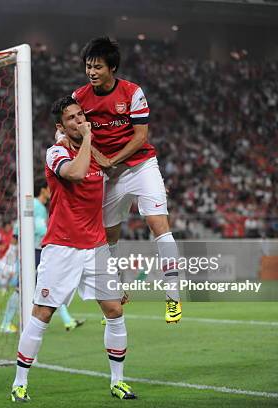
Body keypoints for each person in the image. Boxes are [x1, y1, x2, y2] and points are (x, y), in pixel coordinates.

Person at [10, 97, 136, 402]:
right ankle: (20, 382)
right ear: (60, 126)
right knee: (42, 314)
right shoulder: (57, 152)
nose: (79, 120)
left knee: (115, 310)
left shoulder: (97, 154)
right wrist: (89, 138)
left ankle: (117, 381)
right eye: (72, 118)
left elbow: (118, 179)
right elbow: (76, 173)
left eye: (81, 115)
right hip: (62, 247)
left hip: (96, 246)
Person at [72, 36, 182, 323]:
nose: (91, 72)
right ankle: (116, 287)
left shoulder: (133, 93)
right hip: (109, 173)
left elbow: (141, 137)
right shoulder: (79, 98)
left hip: (141, 166)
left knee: (160, 226)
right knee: (109, 237)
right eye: (88, 66)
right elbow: (78, 136)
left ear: (112, 68)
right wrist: (101, 158)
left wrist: (113, 160)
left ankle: (173, 295)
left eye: (97, 67)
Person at [34, 181, 85, 331]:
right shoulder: (36, 206)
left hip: (40, 250)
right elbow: (38, 228)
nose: (52, 190)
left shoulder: (42, 207)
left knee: (54, 285)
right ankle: (6, 322)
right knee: (22, 289)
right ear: (43, 190)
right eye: (49, 187)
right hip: (34, 252)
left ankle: (68, 320)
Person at [0, 221, 15, 296]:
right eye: (7, 226)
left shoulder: (13, 233)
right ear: (4, 227)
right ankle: (3, 291)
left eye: (9, 226)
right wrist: (1, 247)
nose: (8, 228)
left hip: (11, 258)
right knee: (4, 274)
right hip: (2, 258)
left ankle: (5, 286)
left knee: (11, 274)